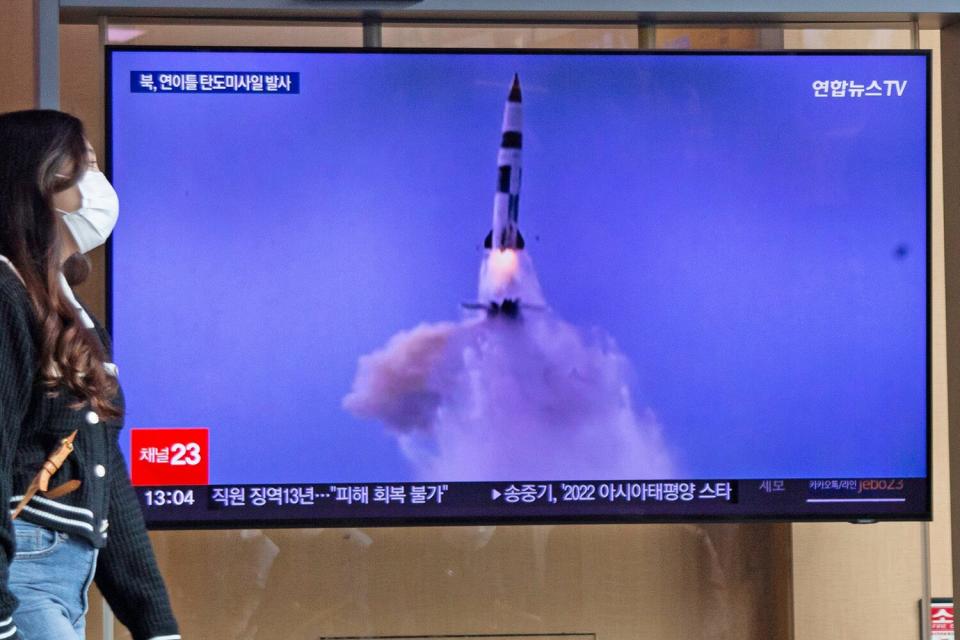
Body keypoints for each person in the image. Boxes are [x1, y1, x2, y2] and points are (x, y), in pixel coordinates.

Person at [0, 109, 180, 640]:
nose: (101, 187)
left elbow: (105, 470)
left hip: (62, 579)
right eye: (88, 167)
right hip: (23, 575)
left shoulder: (66, 306)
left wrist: (156, 624)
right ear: (41, 183)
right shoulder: (7, 295)